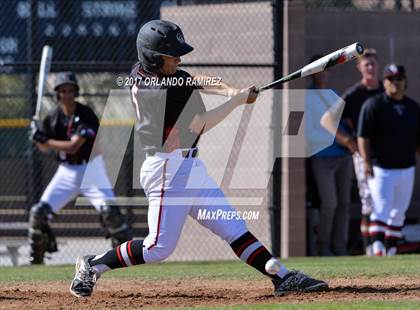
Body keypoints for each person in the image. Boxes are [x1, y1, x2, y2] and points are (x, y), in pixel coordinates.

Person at [69, 20, 328, 298]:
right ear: (154, 58)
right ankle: (92, 265)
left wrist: (231, 90)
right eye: (173, 54)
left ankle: (283, 277)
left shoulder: (148, 71)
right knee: (157, 248)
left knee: (232, 226)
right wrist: (237, 102)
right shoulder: (160, 92)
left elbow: (195, 79)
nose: (179, 58)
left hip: (189, 166)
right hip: (166, 169)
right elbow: (200, 124)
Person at [29, 72, 133, 264]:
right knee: (38, 213)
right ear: (57, 95)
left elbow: (73, 146)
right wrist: (37, 137)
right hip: (67, 172)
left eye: (70, 90)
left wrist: (45, 140)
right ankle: (36, 260)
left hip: (91, 170)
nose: (66, 94)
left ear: (76, 92)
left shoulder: (86, 114)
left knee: (111, 213)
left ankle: (127, 257)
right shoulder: (52, 118)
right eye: (62, 91)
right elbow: (44, 147)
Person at [321, 48, 383, 256]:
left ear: (378, 65)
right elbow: (327, 120)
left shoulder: (386, 89)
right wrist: (348, 141)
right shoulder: (355, 94)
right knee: (369, 200)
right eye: (366, 64)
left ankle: (384, 248)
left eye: (373, 63)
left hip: (387, 155)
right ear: (359, 68)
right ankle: (370, 249)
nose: (370, 67)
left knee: (386, 203)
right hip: (364, 154)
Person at [358, 64, 420, 256]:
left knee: (399, 212)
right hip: (381, 167)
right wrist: (367, 161)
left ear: (405, 81)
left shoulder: (412, 107)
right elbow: (363, 136)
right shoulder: (374, 105)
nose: (395, 82)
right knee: (381, 208)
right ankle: (377, 250)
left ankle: (391, 250)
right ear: (384, 82)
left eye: (399, 78)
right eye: (390, 79)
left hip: (406, 167)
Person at [306, 55, 353, 256]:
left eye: (326, 69)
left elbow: (344, 123)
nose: (324, 74)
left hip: (342, 156)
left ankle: (340, 247)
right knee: (330, 203)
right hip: (322, 157)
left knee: (344, 203)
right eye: (319, 69)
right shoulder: (306, 97)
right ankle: (323, 246)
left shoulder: (334, 94)